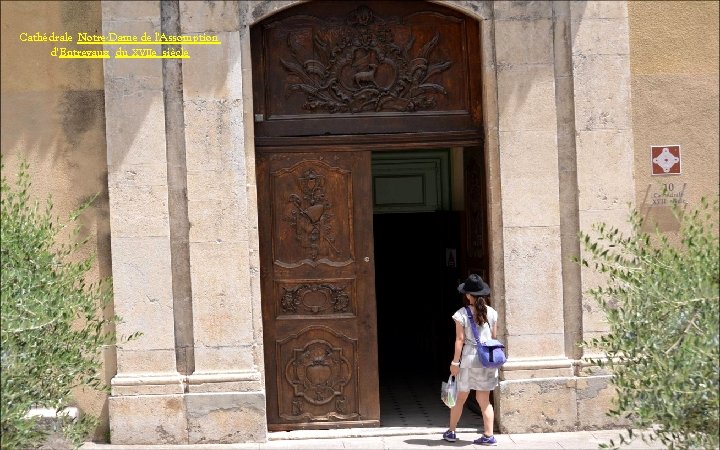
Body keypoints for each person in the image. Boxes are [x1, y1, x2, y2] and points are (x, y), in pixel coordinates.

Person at [442, 274, 498, 446]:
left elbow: (459, 340)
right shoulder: (493, 313)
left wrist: (454, 363)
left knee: (460, 398)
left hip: (468, 358)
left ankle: (451, 432)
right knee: (484, 400)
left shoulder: (461, 314)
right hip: (486, 359)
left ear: (468, 295)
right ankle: (489, 436)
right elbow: (493, 337)